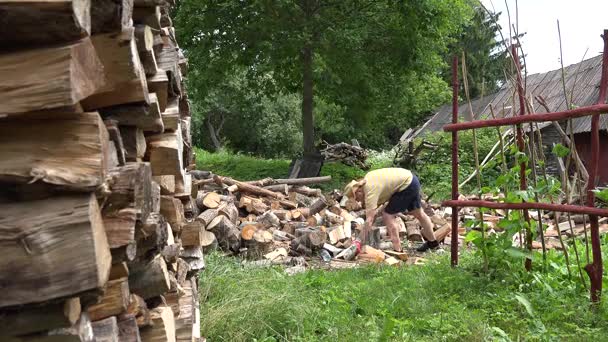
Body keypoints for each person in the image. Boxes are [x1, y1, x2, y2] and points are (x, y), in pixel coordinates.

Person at [343, 167, 438, 252]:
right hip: (412, 179)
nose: (358, 200)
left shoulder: (370, 191)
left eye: (356, 198)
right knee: (419, 213)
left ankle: (398, 249)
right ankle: (433, 243)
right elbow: (374, 214)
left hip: (405, 185)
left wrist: (358, 241)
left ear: (359, 191)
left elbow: (369, 220)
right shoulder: (368, 180)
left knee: (388, 215)